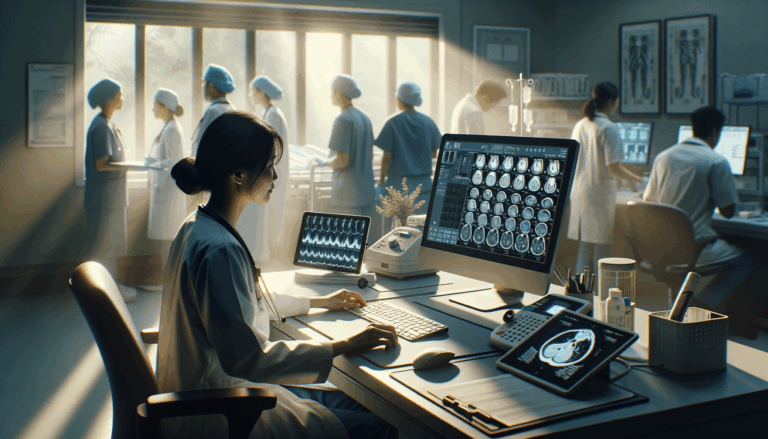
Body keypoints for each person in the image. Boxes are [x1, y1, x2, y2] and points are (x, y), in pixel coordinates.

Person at [161, 111, 400, 438]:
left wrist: (319, 301)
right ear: (239, 175)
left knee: (361, 403)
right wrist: (343, 345)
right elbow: (249, 358)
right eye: (270, 165)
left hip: (208, 392)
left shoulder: (198, 227)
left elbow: (241, 306)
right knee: (383, 426)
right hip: (225, 410)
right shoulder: (220, 250)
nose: (275, 176)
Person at [643, 106, 756, 338]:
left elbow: (649, 202)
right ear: (716, 131)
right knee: (745, 260)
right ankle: (704, 304)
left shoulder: (663, 157)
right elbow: (727, 212)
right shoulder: (716, 161)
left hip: (662, 247)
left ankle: (688, 306)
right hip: (694, 248)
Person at [567, 82, 643, 274]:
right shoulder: (608, 128)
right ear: (611, 101)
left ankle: (579, 293)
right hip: (599, 195)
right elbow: (614, 167)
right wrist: (639, 179)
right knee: (601, 250)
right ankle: (599, 294)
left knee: (585, 246)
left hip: (581, 191)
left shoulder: (580, 124)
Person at [85, 78, 139, 303]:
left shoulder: (107, 124)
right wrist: (132, 165)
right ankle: (106, 291)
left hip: (111, 198)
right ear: (110, 99)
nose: (123, 99)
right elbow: (101, 164)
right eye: (120, 94)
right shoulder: (101, 127)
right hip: (105, 200)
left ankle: (111, 287)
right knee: (106, 246)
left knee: (112, 245)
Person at [236, 75, 290, 265]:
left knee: (271, 228)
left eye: (252, 91)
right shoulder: (270, 113)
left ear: (260, 93)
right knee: (271, 228)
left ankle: (271, 266)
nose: (250, 95)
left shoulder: (272, 115)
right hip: (270, 175)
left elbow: (269, 149)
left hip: (272, 178)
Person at [141, 88, 187, 291]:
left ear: (164, 107)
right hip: (165, 193)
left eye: (155, 105)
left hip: (168, 195)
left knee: (167, 241)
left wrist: (155, 165)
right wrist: (156, 163)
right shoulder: (168, 128)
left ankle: (165, 281)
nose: (153, 108)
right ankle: (164, 279)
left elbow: (174, 163)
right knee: (164, 240)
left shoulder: (172, 130)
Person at [375, 81, 441, 215]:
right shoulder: (428, 122)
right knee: (421, 229)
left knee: (399, 230)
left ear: (399, 99)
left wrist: (381, 181)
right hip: (425, 189)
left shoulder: (392, 123)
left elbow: (386, 159)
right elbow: (434, 154)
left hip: (399, 190)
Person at [315, 74, 376, 218]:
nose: (330, 95)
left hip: (347, 198)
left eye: (332, 91)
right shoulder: (365, 118)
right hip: (366, 195)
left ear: (338, 93)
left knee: (348, 238)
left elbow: (341, 161)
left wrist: (324, 163)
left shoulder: (342, 120)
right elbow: (371, 155)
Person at [190, 63, 236, 156]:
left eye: (204, 83)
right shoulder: (232, 109)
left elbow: (202, 145)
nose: (202, 87)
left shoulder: (213, 111)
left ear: (210, 86)